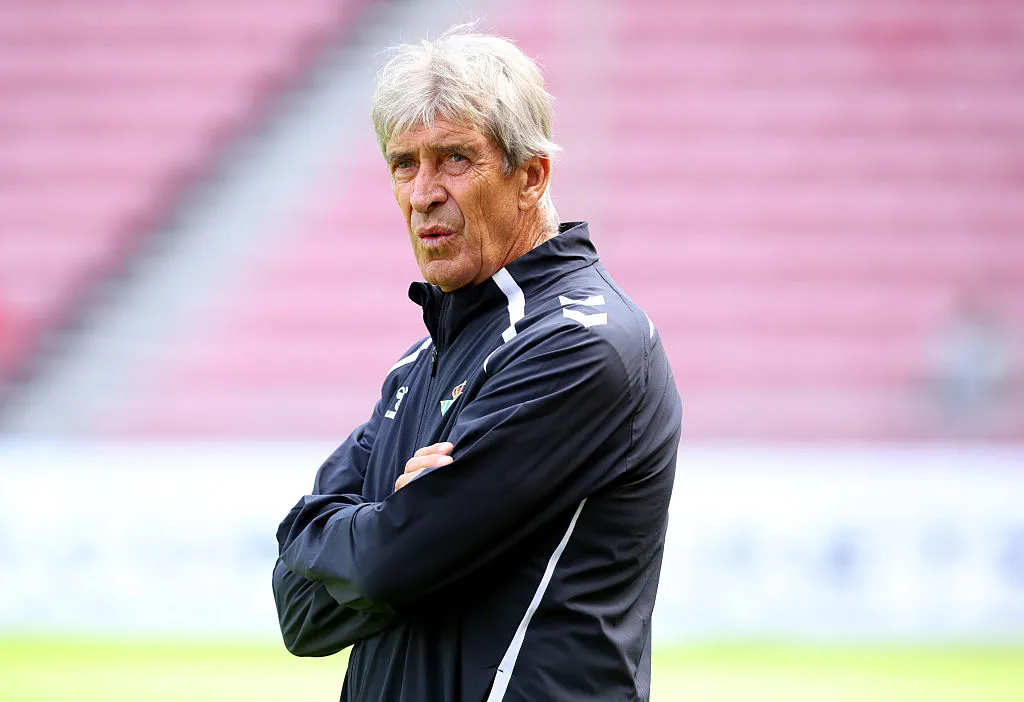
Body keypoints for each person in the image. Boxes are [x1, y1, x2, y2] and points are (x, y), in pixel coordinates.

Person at [272, 26, 682, 701]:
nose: (423, 193)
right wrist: (369, 530)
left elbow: (385, 567)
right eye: (404, 164)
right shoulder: (417, 367)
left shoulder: (582, 345)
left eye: (455, 158)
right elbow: (299, 612)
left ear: (531, 176)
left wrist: (358, 535)